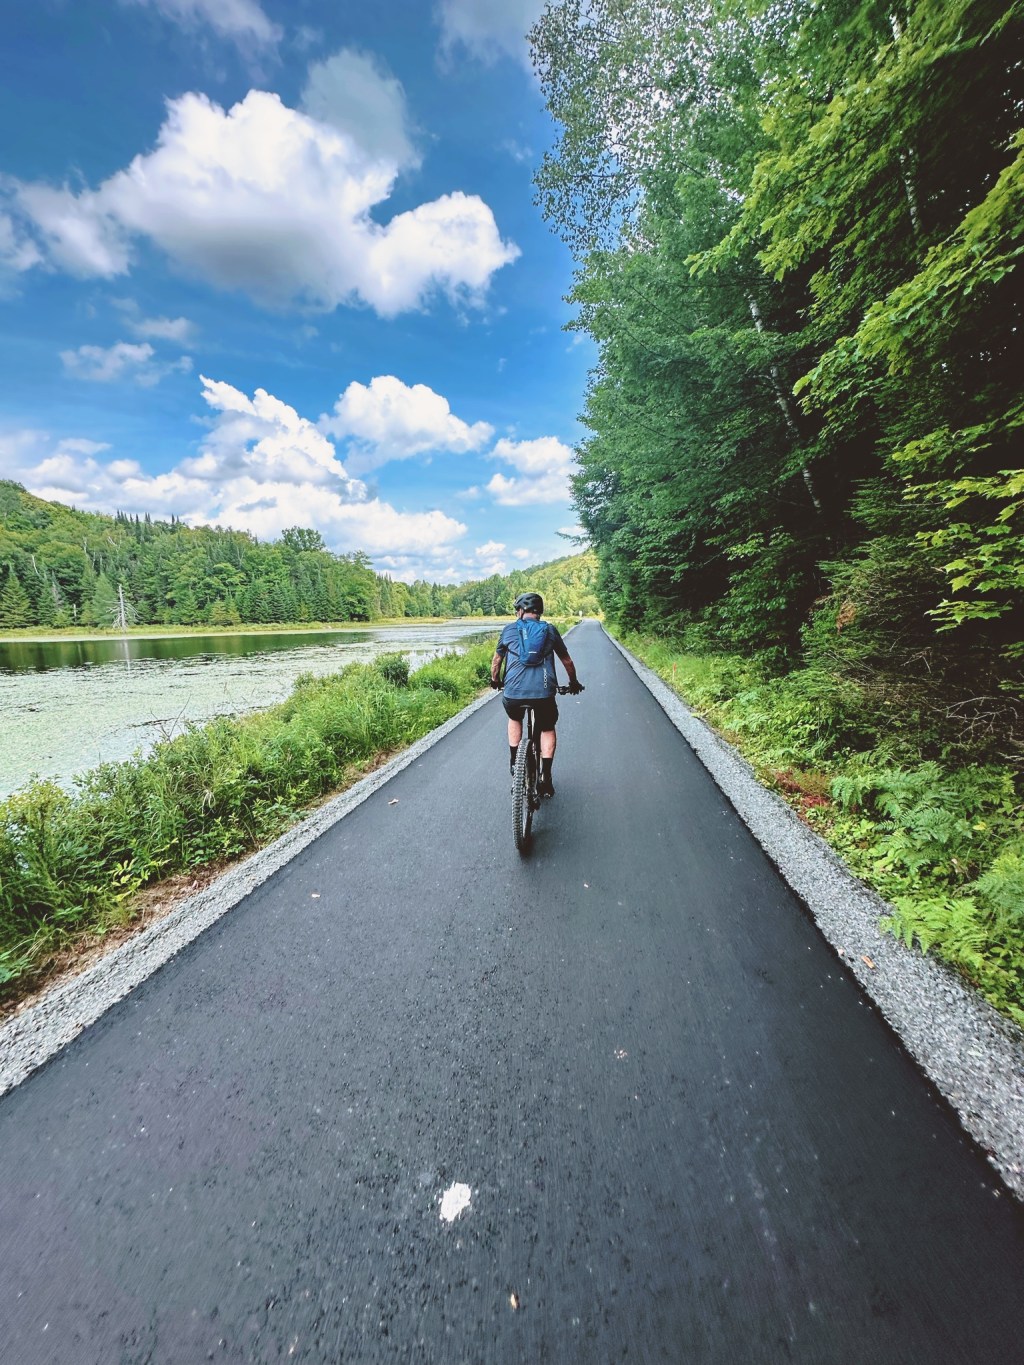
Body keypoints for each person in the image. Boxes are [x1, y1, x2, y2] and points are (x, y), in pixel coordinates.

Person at [490, 591, 582, 798]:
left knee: (514, 717)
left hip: (513, 693)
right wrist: (574, 683)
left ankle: (515, 761)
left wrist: (495, 680)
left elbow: (496, 662)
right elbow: (567, 661)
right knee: (547, 727)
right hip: (543, 693)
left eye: (517, 610)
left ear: (521, 611)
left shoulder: (509, 630)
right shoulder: (549, 630)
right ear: (539, 612)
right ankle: (546, 777)